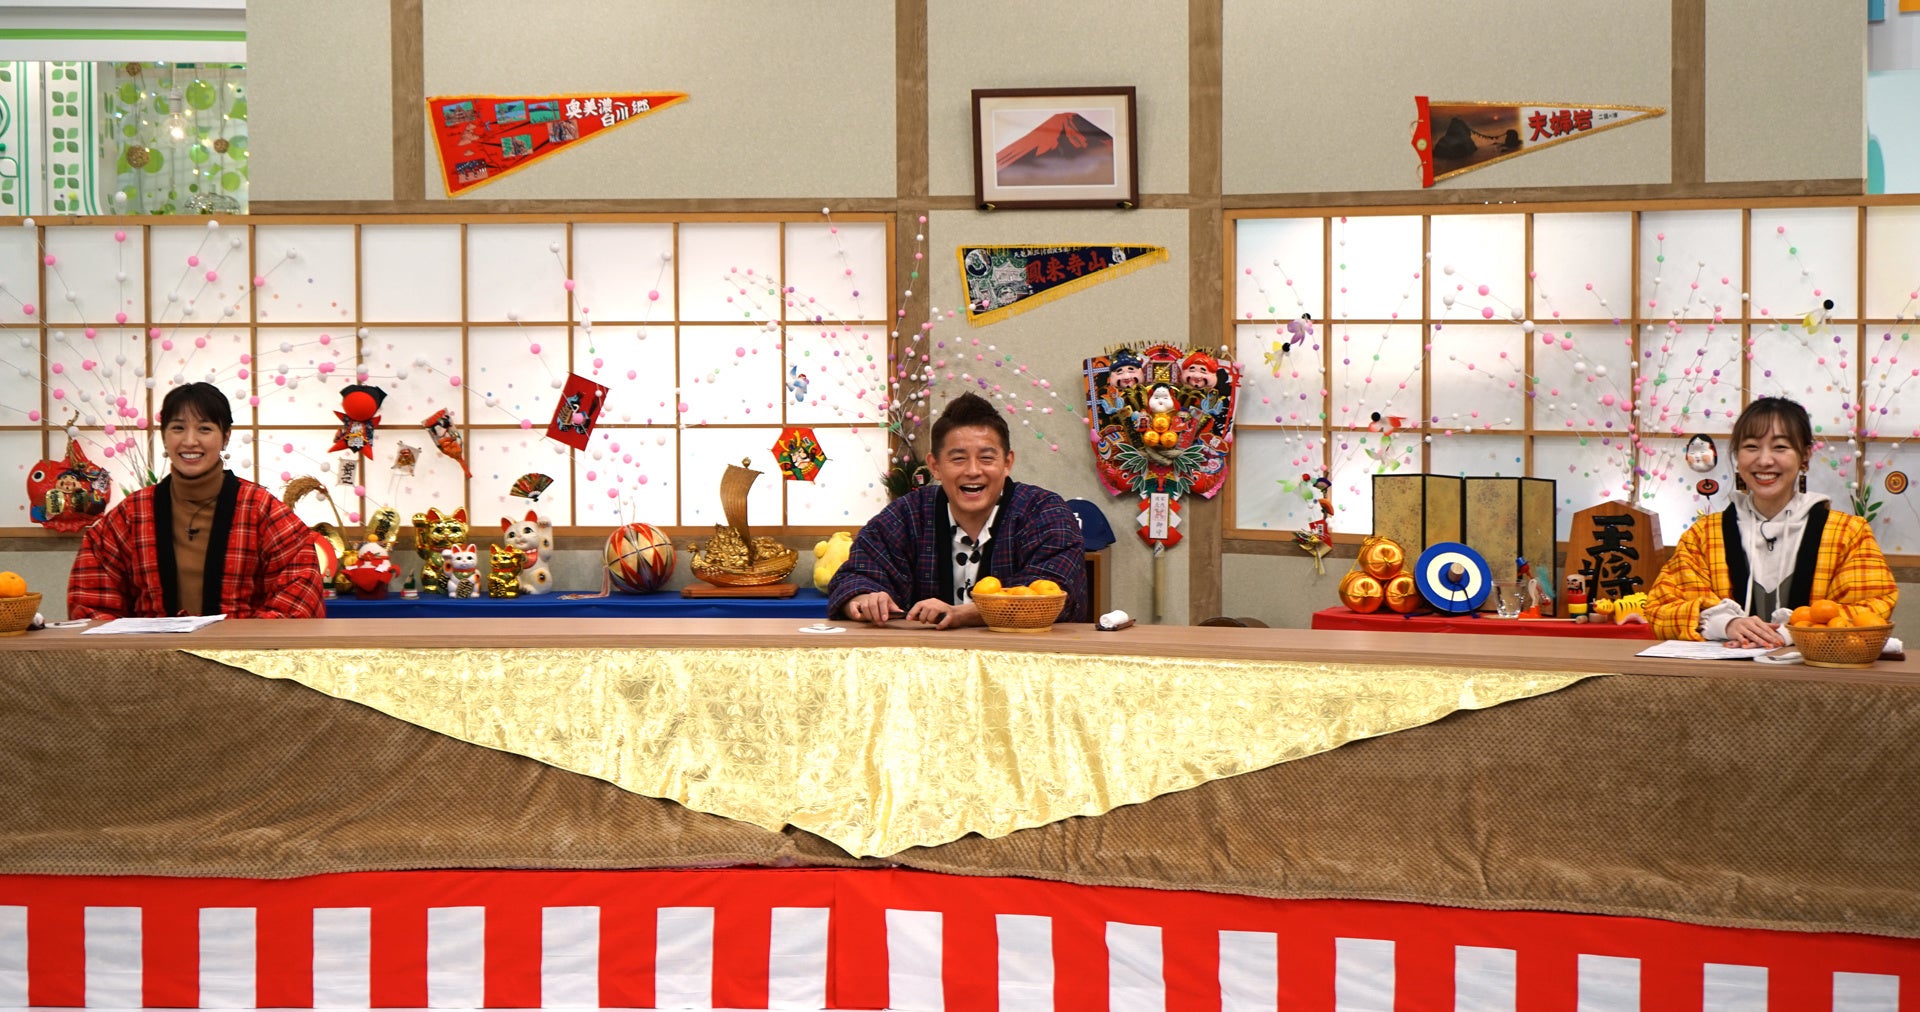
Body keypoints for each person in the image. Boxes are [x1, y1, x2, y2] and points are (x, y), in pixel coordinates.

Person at [1644, 396, 1895, 646]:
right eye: (1751, 446)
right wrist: (1725, 624)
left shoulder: (1848, 533)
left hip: (1818, 671)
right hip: (1720, 670)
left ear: (1805, 456)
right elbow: (1660, 608)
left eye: (1780, 447)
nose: (1764, 460)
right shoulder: (1703, 535)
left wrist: (1792, 632)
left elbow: (1874, 607)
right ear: (1737, 456)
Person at [68, 382, 327, 620]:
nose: (190, 441)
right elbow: (91, 604)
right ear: (164, 436)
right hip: (150, 654)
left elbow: (298, 595)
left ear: (226, 436)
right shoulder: (131, 514)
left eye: (205, 429)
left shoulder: (261, 508)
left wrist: (243, 643)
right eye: (178, 428)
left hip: (240, 653)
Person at [829, 392, 1089, 628]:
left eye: (986, 458)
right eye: (958, 458)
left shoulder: (1044, 512)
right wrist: (864, 599)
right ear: (935, 466)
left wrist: (962, 614)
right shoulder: (907, 514)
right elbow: (855, 575)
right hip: (922, 659)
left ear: (1007, 463)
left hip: (1025, 658)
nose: (973, 471)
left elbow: (1053, 591)